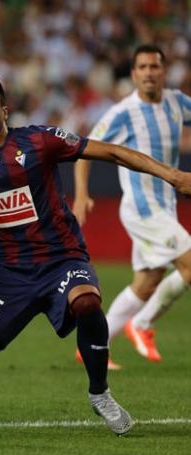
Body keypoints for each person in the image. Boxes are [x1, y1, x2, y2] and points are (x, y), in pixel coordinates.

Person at [0, 74, 191, 435]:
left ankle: (100, 393)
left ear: (5, 110)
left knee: (87, 303)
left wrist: (174, 175)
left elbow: (114, 151)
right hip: (9, 272)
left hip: (63, 260)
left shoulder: (40, 140)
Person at [73, 45, 191, 365]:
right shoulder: (122, 113)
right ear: (134, 74)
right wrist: (82, 194)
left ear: (164, 71)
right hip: (142, 208)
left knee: (147, 282)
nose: (149, 72)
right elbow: (84, 150)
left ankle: (93, 345)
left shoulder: (178, 102)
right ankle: (141, 324)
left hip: (165, 206)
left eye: (155, 66)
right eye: (143, 67)